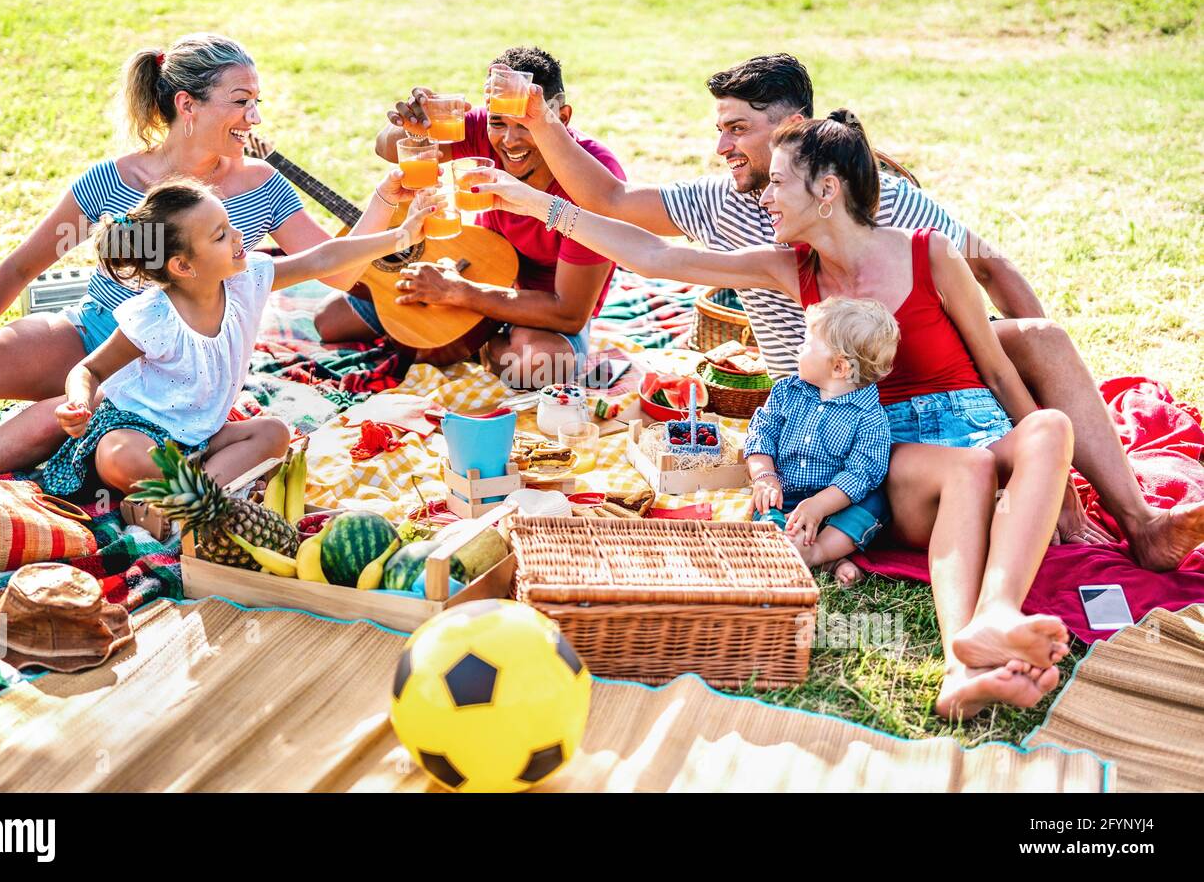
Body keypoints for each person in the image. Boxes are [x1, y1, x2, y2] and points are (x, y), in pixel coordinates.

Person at [491, 52, 1204, 570]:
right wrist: (537, 151)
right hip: (844, 394)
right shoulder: (738, 215)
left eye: (738, 129)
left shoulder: (879, 203)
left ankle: (1136, 518)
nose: (721, 147)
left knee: (1042, 341)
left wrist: (1053, 434)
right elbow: (629, 226)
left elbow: (991, 269)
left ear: (799, 138)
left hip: (936, 373)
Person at [473, 109, 1078, 719]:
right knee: (970, 468)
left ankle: (996, 616)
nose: (764, 197)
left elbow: (998, 370)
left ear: (827, 189)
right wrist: (538, 205)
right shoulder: (789, 268)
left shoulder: (931, 253)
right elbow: (657, 259)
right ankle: (961, 663)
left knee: (1050, 428)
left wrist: (1057, 483)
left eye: (779, 182)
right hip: (910, 463)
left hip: (979, 426)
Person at [0, 34, 341, 480]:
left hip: (172, 374)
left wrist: (392, 205)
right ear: (187, 104)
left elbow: (337, 268)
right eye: (241, 101)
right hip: (93, 337)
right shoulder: (113, 181)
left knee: (44, 423)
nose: (255, 117)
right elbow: (22, 266)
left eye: (256, 101)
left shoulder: (261, 185)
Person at [41, 175, 432, 494]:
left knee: (274, 434)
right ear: (182, 265)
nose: (238, 235)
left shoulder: (248, 280)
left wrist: (402, 237)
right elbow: (88, 371)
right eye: (220, 236)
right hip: (139, 432)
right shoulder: (155, 317)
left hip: (201, 438)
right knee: (118, 456)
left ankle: (185, 502)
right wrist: (77, 402)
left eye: (229, 225)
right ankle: (206, 495)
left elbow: (323, 258)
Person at [313, 46, 624, 388]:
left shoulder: (593, 180)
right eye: (498, 122)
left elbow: (569, 312)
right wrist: (414, 130)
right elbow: (387, 149)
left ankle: (473, 344)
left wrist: (458, 293)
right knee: (330, 321)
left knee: (538, 367)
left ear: (561, 118)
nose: (509, 140)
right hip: (475, 267)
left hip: (539, 311)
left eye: (526, 124)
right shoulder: (479, 129)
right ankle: (451, 336)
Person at [747, 297, 899, 588]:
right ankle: (792, 543)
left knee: (874, 503)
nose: (798, 348)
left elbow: (861, 473)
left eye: (806, 343)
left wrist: (819, 505)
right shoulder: (786, 392)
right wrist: (765, 476)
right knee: (767, 506)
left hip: (836, 503)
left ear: (840, 367)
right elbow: (761, 433)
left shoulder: (870, 417)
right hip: (786, 492)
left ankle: (817, 552)